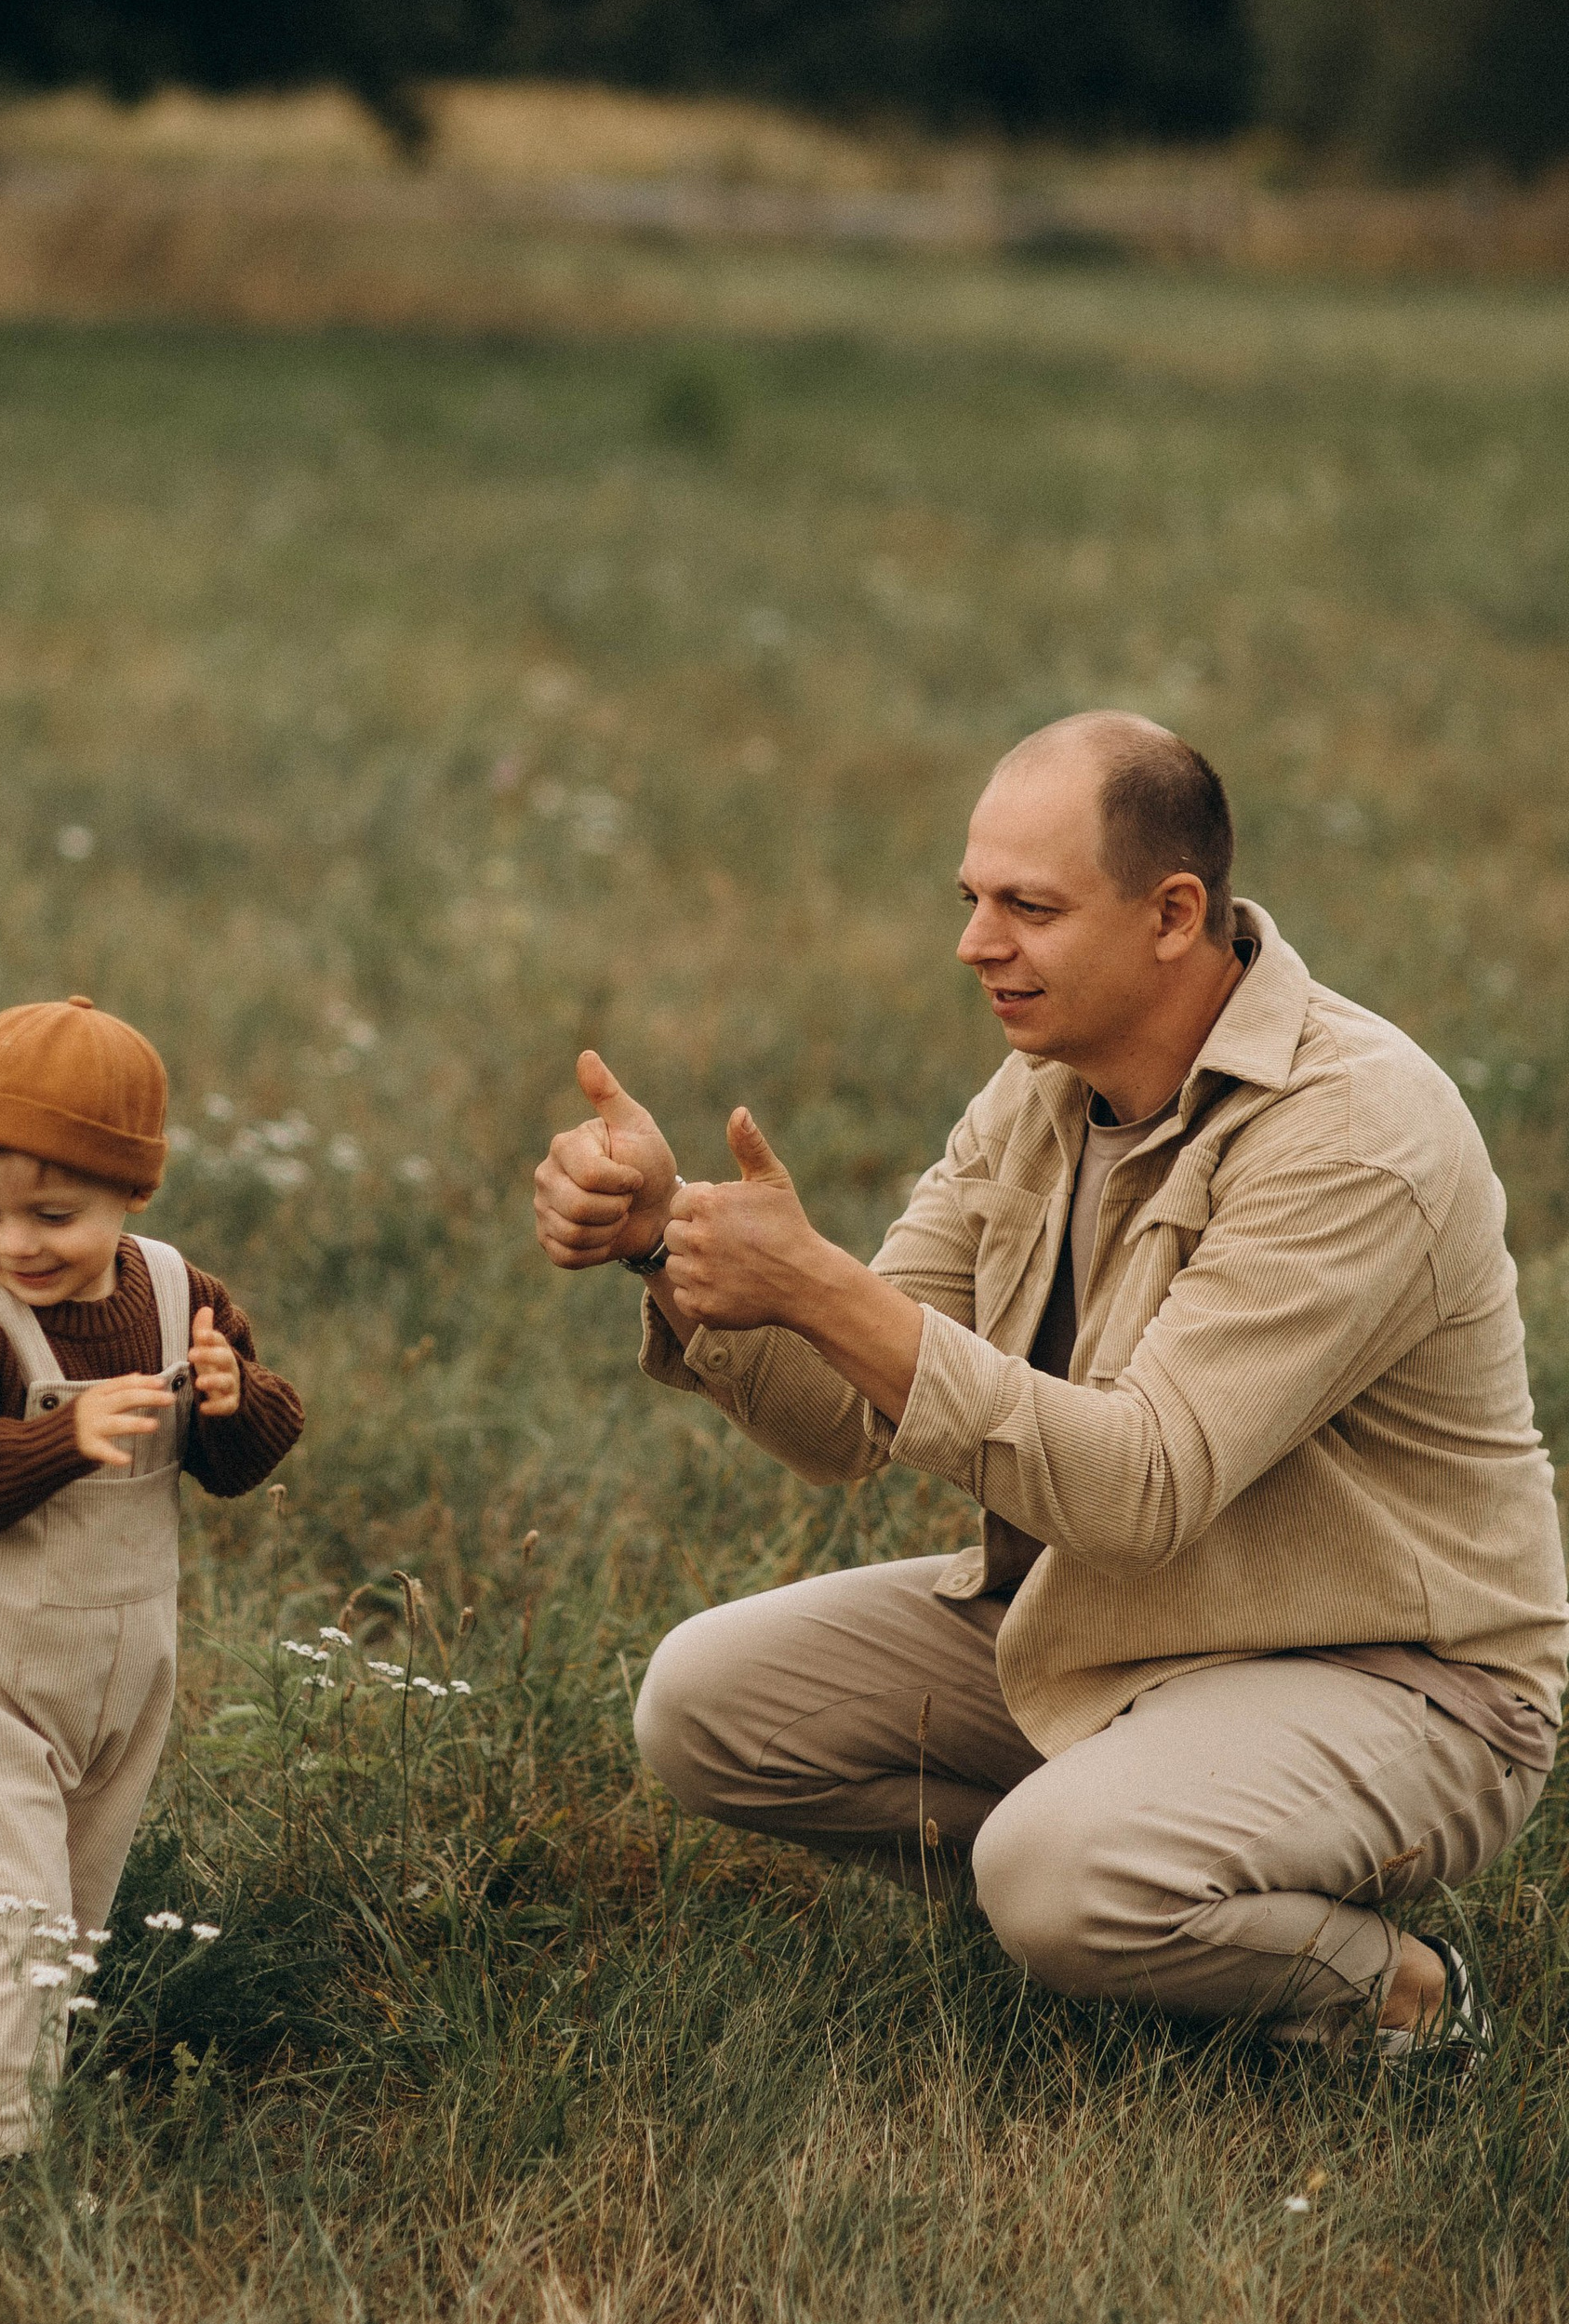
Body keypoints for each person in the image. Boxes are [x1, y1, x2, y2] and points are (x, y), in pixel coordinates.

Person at [534, 713, 1565, 2065]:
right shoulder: (1042, 1091)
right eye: (971, 899)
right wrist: (665, 1245)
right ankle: (1114, 1901)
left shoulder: (1357, 1132)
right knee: (707, 1706)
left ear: (1173, 915)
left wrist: (824, 1286)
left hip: (1398, 1679)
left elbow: (1142, 1488)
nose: (976, 943)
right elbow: (840, 1426)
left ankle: (1395, 1992)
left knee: (1059, 1876)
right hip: (1119, 1622)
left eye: (1029, 908)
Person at [0, 993, 302, 2156]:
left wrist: (231, 1399)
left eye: (54, 1214)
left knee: (57, 1919)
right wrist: (59, 1438)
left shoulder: (177, 1293)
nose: (17, 1242)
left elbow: (243, 1459)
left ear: (132, 1191)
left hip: (115, 1676)